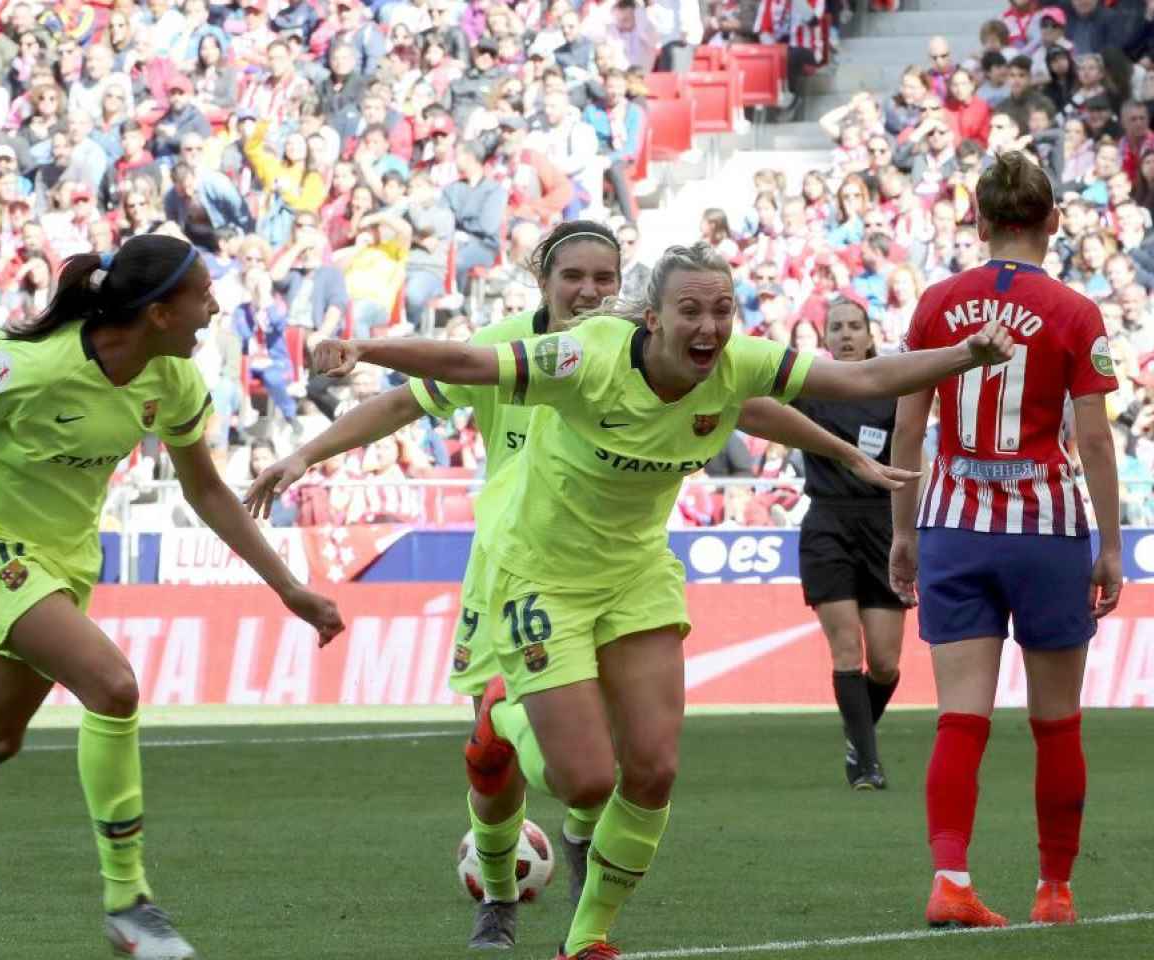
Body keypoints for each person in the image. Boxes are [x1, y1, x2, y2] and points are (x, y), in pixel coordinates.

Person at [310, 241, 1013, 960]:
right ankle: (500, 718)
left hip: (637, 575)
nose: (708, 326)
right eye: (690, 311)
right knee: (582, 782)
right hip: (542, 574)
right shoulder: (586, 358)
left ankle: (587, 939)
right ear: (651, 318)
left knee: (653, 770)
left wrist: (963, 356)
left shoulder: (736, 364)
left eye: (721, 310)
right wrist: (364, 346)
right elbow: (468, 366)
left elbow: (858, 378)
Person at [0, 234, 345, 960]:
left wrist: (289, 587)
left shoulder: (169, 379)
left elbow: (205, 490)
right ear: (157, 311)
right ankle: (128, 902)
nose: (212, 307)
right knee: (113, 687)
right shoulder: (37, 365)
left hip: (64, 561)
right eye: (200, 294)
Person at [888, 151, 1123, 930]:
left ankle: (950, 878)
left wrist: (902, 531)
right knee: (1056, 720)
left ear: (980, 220)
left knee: (961, 716)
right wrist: (1112, 545)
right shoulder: (1075, 311)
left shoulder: (936, 302)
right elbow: (1092, 441)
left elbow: (909, 424)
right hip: (1046, 527)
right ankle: (1054, 891)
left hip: (953, 522)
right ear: (1053, 221)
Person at [793, 299, 907, 792]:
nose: (844, 334)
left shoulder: (891, 390)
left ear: (869, 333)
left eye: (853, 326)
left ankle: (857, 736)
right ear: (825, 336)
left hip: (881, 526)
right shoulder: (809, 388)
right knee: (846, 651)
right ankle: (867, 764)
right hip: (827, 525)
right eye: (835, 327)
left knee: (884, 664)